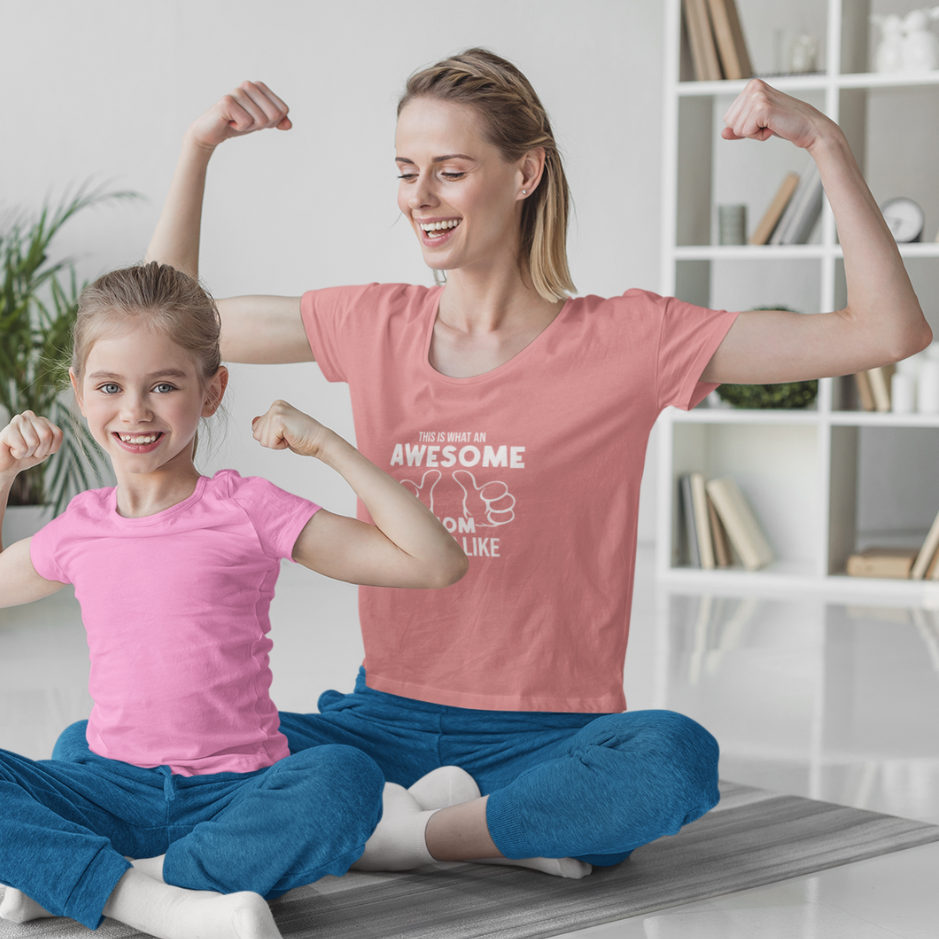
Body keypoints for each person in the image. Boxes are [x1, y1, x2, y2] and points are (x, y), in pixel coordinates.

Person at [55, 49, 932, 876]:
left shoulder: (630, 338)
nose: (420, 196)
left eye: (449, 169)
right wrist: (197, 149)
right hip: (378, 722)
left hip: (546, 734)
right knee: (101, 746)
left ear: (525, 172)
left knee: (669, 760)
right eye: (405, 171)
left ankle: (416, 837)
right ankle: (494, 834)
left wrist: (825, 143)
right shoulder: (375, 321)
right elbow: (158, 332)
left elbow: (883, 331)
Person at [0, 261, 468, 939]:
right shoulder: (80, 525)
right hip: (115, 786)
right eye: (109, 386)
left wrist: (330, 446)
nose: (134, 410)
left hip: (236, 792)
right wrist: (5, 469)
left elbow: (436, 562)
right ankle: (156, 895)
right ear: (78, 393)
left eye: (163, 385)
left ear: (212, 389)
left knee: (344, 779)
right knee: (70, 750)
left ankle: (111, 883)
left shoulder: (246, 507)